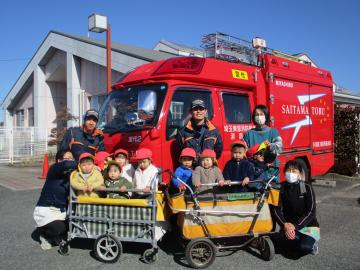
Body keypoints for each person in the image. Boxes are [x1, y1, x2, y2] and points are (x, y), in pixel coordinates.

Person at [273, 160, 320, 256]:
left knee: (304, 247)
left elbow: (311, 211)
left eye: (294, 171)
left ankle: (311, 244)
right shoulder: (281, 187)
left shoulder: (306, 187)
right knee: (286, 243)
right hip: (289, 226)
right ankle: (293, 241)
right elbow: (276, 209)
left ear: (299, 174)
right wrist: (285, 224)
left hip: (308, 226)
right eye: (288, 170)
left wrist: (296, 226)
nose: (291, 173)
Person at [33, 150, 76, 250]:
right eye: (67, 159)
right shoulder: (54, 170)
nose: (70, 161)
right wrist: (83, 162)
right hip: (47, 209)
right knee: (60, 228)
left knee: (72, 225)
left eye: (72, 158)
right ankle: (44, 234)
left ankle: (53, 232)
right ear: (59, 160)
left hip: (60, 210)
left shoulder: (70, 175)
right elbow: (66, 165)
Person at [243, 104, 283, 181]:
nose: (259, 116)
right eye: (257, 115)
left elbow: (280, 148)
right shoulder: (248, 134)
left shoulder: (273, 132)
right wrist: (253, 156)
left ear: (266, 116)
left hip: (271, 172)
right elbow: (244, 153)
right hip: (254, 173)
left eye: (261, 114)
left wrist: (270, 146)